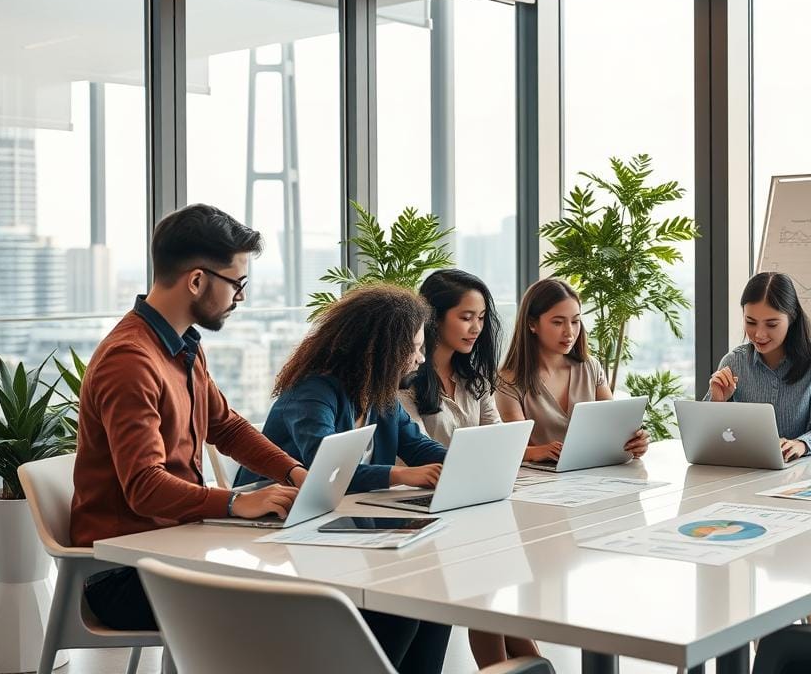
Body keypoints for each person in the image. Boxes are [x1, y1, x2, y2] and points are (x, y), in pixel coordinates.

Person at [70, 204, 308, 632]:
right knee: (302, 602)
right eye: (238, 282)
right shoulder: (129, 361)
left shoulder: (183, 347)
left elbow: (227, 427)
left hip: (179, 543)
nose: (242, 296)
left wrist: (293, 472)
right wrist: (236, 502)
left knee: (373, 601)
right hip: (124, 572)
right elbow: (145, 488)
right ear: (197, 280)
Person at [234, 283, 450, 674]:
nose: (421, 359)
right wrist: (402, 475)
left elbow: (419, 448)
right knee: (402, 606)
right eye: (414, 348)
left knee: (434, 600)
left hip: (341, 527)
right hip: (283, 532)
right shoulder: (314, 390)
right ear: (381, 349)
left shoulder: (380, 394)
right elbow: (324, 464)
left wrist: (466, 461)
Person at [398, 269, 543, 667]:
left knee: (493, 556)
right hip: (426, 508)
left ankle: (517, 663)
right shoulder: (405, 383)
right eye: (466, 317)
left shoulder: (473, 376)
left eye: (481, 318)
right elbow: (408, 454)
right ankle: (517, 664)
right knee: (488, 563)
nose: (475, 327)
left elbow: (495, 438)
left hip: (472, 500)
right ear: (434, 318)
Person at [496, 278, 649, 458]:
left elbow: (613, 429)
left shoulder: (590, 367)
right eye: (558, 322)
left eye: (575, 321)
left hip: (595, 472)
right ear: (532, 324)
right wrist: (538, 452)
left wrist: (635, 443)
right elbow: (515, 448)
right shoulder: (508, 380)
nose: (569, 332)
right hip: (540, 479)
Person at [706, 271, 811, 461]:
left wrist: (800, 445)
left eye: (771, 324)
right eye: (750, 322)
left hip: (797, 472)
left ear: (792, 318)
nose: (759, 334)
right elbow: (707, 439)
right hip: (745, 471)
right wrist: (717, 401)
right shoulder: (733, 362)